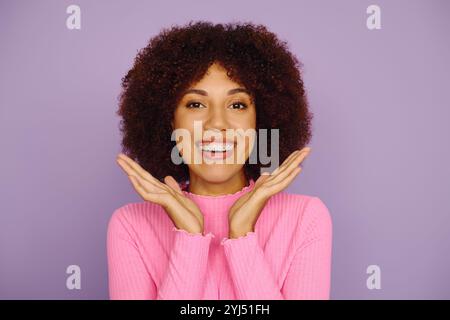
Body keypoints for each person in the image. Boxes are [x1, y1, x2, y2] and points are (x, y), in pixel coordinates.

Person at [107, 21, 332, 300]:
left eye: (237, 105)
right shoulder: (131, 225)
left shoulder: (306, 218)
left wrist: (241, 236)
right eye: (195, 104)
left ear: (259, 120)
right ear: (169, 120)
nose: (216, 124)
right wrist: (189, 237)